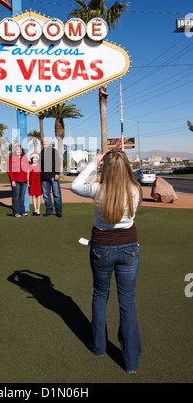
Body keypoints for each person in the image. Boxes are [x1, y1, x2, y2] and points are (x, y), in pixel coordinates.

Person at [70, 149, 143, 373]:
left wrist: (93, 164)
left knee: (100, 295)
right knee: (127, 303)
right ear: (127, 168)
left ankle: (99, 346)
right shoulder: (135, 190)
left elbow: (75, 185)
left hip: (102, 249)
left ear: (106, 168)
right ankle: (130, 362)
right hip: (129, 250)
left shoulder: (97, 189)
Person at [40, 137, 62, 217]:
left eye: (45, 141)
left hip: (53, 176)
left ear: (48, 142)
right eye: (43, 141)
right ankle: (49, 210)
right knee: (46, 195)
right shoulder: (41, 153)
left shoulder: (53, 151)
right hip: (44, 178)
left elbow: (57, 162)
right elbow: (40, 166)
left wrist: (57, 173)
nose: (44, 142)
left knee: (57, 194)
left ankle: (58, 211)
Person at [7, 144, 29, 218]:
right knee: (16, 196)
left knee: (22, 196)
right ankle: (16, 212)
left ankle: (22, 211)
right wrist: (12, 180)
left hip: (24, 180)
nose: (19, 151)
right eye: (17, 150)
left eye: (20, 150)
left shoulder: (25, 158)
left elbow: (28, 168)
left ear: (22, 150)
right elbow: (9, 170)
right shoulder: (11, 159)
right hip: (15, 180)